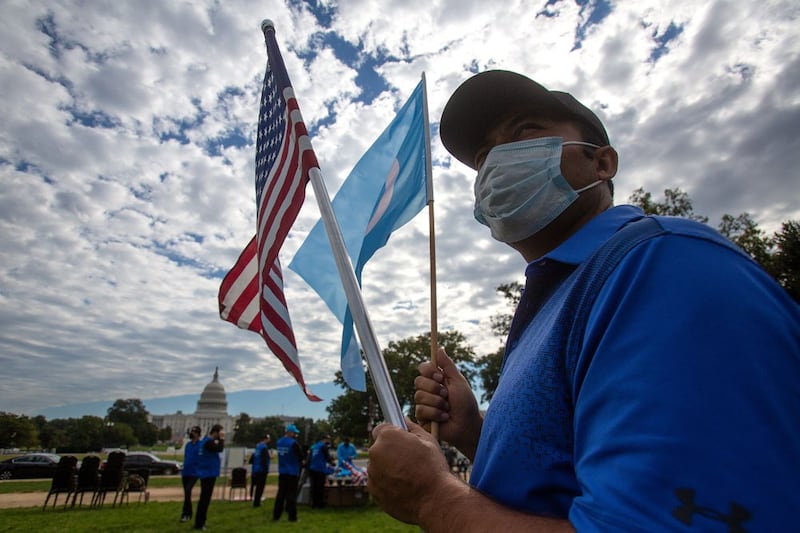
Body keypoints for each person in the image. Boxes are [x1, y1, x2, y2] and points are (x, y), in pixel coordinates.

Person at [367, 69, 800, 531]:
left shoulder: (659, 263)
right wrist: (476, 432)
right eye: (484, 155)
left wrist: (436, 501)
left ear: (602, 163)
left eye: (524, 132)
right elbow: (559, 482)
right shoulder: (559, 298)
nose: (497, 161)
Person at [194, 424, 224, 531]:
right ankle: (200, 523)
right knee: (205, 500)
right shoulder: (209, 442)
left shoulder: (203, 442)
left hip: (205, 472)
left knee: (204, 499)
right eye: (220, 433)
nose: (221, 435)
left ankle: (200, 521)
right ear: (215, 432)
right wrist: (222, 439)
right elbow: (219, 449)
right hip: (209, 473)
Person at [273, 424, 304, 522]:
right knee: (291, 495)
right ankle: (292, 517)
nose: (295, 435)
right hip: (292, 472)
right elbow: (301, 457)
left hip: (282, 471)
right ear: (290, 432)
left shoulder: (279, 442)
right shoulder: (293, 443)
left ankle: (276, 516)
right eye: (294, 433)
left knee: (280, 494)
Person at [180, 425, 202, 523]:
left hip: (194, 472)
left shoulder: (200, 445)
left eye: (194, 432)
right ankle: (188, 513)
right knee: (186, 493)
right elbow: (186, 456)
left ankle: (186, 514)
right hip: (186, 471)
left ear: (198, 434)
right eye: (191, 432)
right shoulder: (188, 445)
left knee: (188, 491)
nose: (192, 434)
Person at [308, 434, 335, 508]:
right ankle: (319, 504)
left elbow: (310, 457)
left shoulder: (315, 446)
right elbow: (327, 457)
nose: (329, 441)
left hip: (312, 468)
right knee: (320, 487)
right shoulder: (323, 446)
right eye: (328, 439)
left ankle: (313, 504)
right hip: (320, 469)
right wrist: (333, 463)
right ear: (324, 439)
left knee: (314, 487)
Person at [250, 433, 271, 507]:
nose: (269, 440)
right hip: (262, 470)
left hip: (256, 469)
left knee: (257, 486)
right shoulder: (264, 448)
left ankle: (255, 500)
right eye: (268, 438)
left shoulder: (258, 446)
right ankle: (257, 502)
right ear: (266, 439)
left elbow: (253, 458)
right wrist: (266, 469)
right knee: (260, 487)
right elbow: (264, 459)